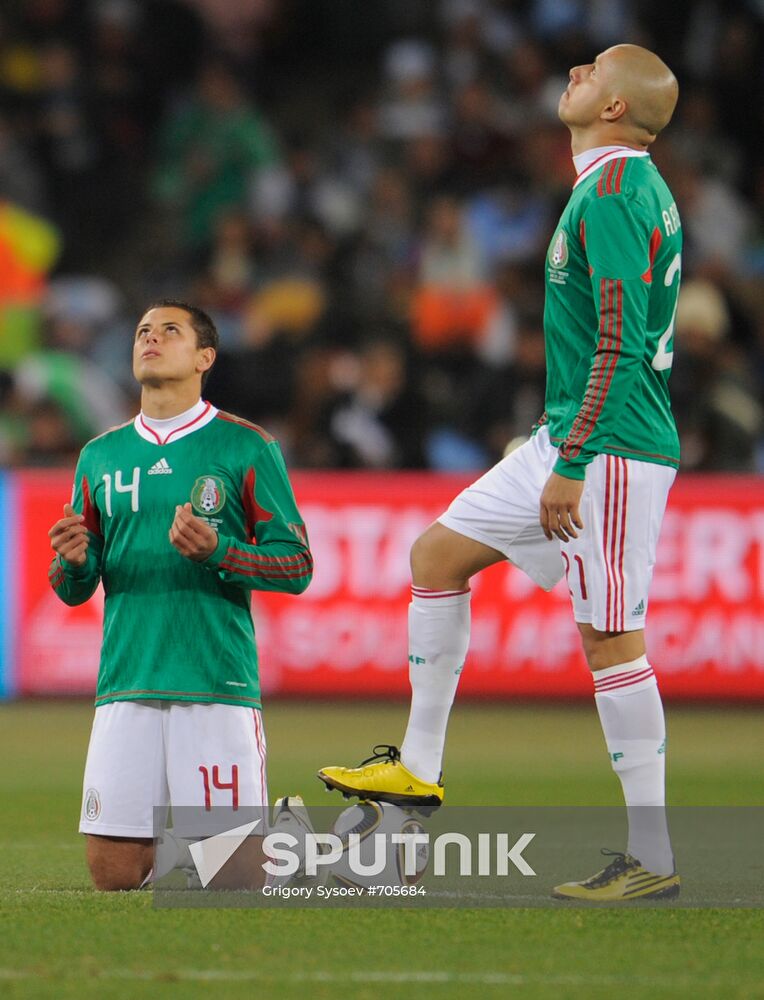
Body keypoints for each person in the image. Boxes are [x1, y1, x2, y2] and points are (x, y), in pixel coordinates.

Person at [319, 44, 682, 902]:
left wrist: (576, 457)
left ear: (618, 108)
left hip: (611, 453)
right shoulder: (605, 187)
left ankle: (653, 857)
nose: (572, 75)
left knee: (610, 641)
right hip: (565, 439)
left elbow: (622, 339)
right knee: (436, 558)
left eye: (591, 72)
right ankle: (417, 770)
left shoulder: (619, 193)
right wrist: (550, 443)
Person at [48, 300, 312, 890]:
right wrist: (72, 562)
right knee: (112, 876)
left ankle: (274, 854)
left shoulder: (245, 447)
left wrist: (218, 552)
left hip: (214, 682)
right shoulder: (100, 457)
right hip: (126, 682)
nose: (151, 338)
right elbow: (75, 587)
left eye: (170, 331)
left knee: (236, 880)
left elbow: (296, 565)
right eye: (143, 330)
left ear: (204, 357)